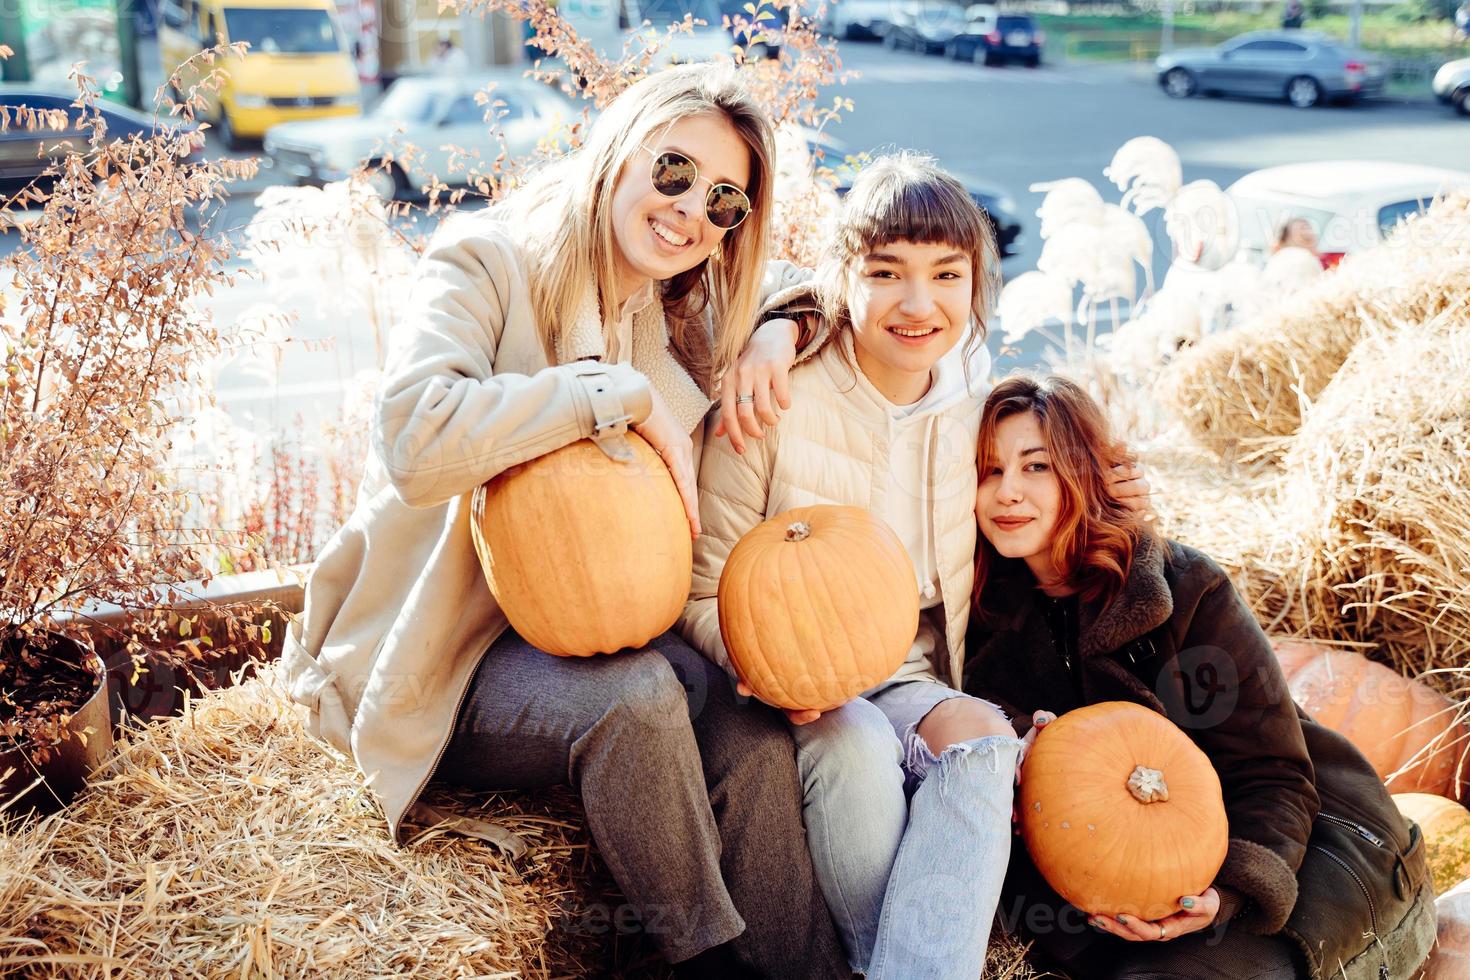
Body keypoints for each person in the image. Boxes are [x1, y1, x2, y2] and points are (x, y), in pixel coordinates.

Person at [280, 63, 849, 978]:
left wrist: (781, 324)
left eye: (725, 201)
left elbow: (811, 286)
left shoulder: (680, 312)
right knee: (637, 700)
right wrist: (609, 395)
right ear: (620, 148)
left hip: (600, 629)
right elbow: (414, 439)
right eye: (674, 171)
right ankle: (711, 964)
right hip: (452, 656)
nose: (690, 210)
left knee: (750, 724)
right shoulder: (487, 261)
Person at [679, 153, 1149, 978]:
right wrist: (765, 665)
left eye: (946, 275)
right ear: (842, 283)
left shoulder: (975, 402)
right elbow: (702, 586)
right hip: (794, 680)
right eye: (886, 273)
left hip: (909, 677)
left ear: (976, 286)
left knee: (985, 741)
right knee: (854, 745)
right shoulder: (772, 396)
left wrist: (1111, 486)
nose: (918, 303)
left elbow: (1045, 482)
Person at [964, 374, 1438, 980]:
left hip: (1290, 848)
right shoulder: (978, 621)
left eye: (1037, 467)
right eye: (988, 471)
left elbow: (1274, 774)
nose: (1008, 493)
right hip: (1104, 891)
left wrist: (1230, 892)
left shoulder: (1184, 587)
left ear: (1084, 473)